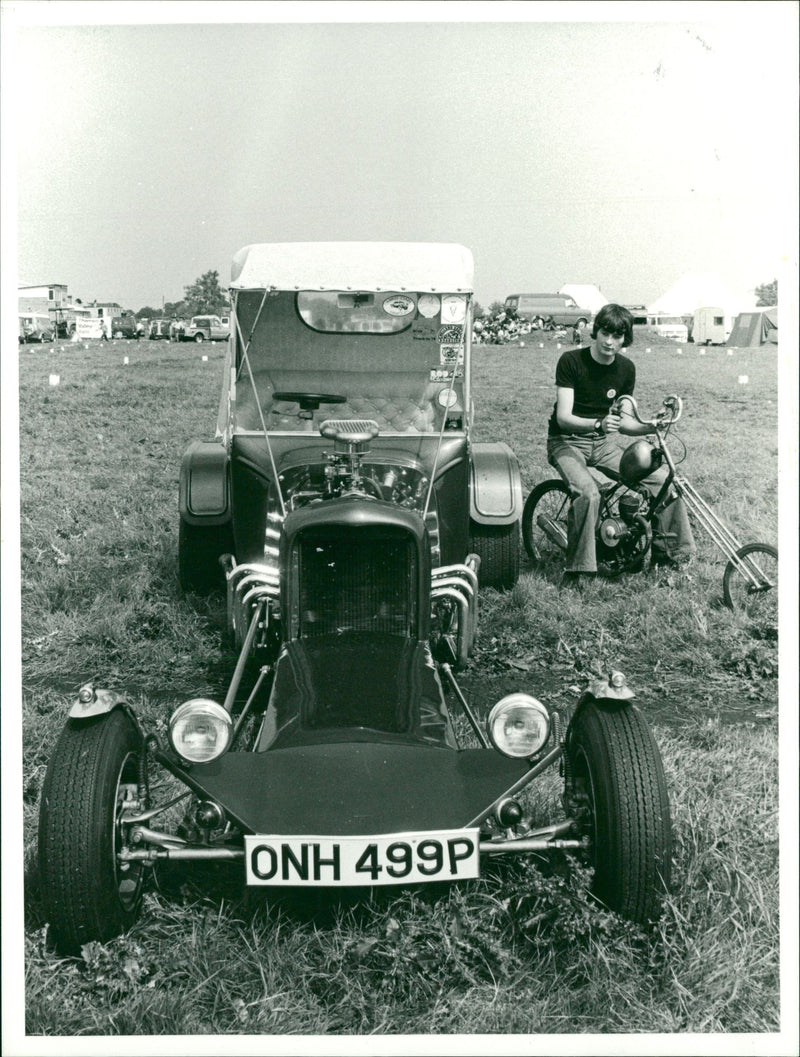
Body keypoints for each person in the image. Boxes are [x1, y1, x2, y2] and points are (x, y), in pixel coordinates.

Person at [546, 302, 695, 585]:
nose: (610, 341)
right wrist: (597, 424)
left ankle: (670, 560)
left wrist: (653, 424)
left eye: (618, 336)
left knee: (664, 482)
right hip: (565, 441)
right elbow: (564, 418)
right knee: (589, 494)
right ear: (596, 330)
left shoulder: (626, 369)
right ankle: (579, 571)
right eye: (605, 333)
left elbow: (626, 423)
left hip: (602, 443)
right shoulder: (571, 361)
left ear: (625, 339)